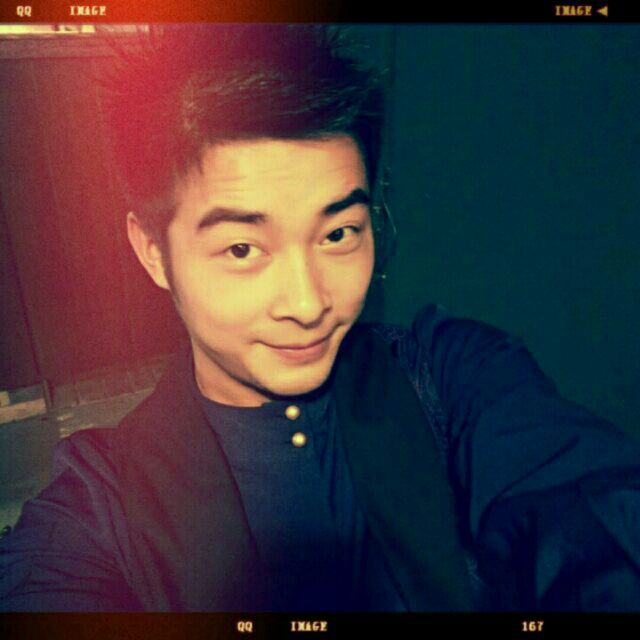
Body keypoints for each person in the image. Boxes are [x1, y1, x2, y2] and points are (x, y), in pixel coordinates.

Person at [1, 24, 640, 612]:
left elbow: (589, 512)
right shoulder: (98, 505)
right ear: (153, 252)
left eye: (337, 234)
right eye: (243, 249)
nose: (308, 305)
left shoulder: (451, 378)